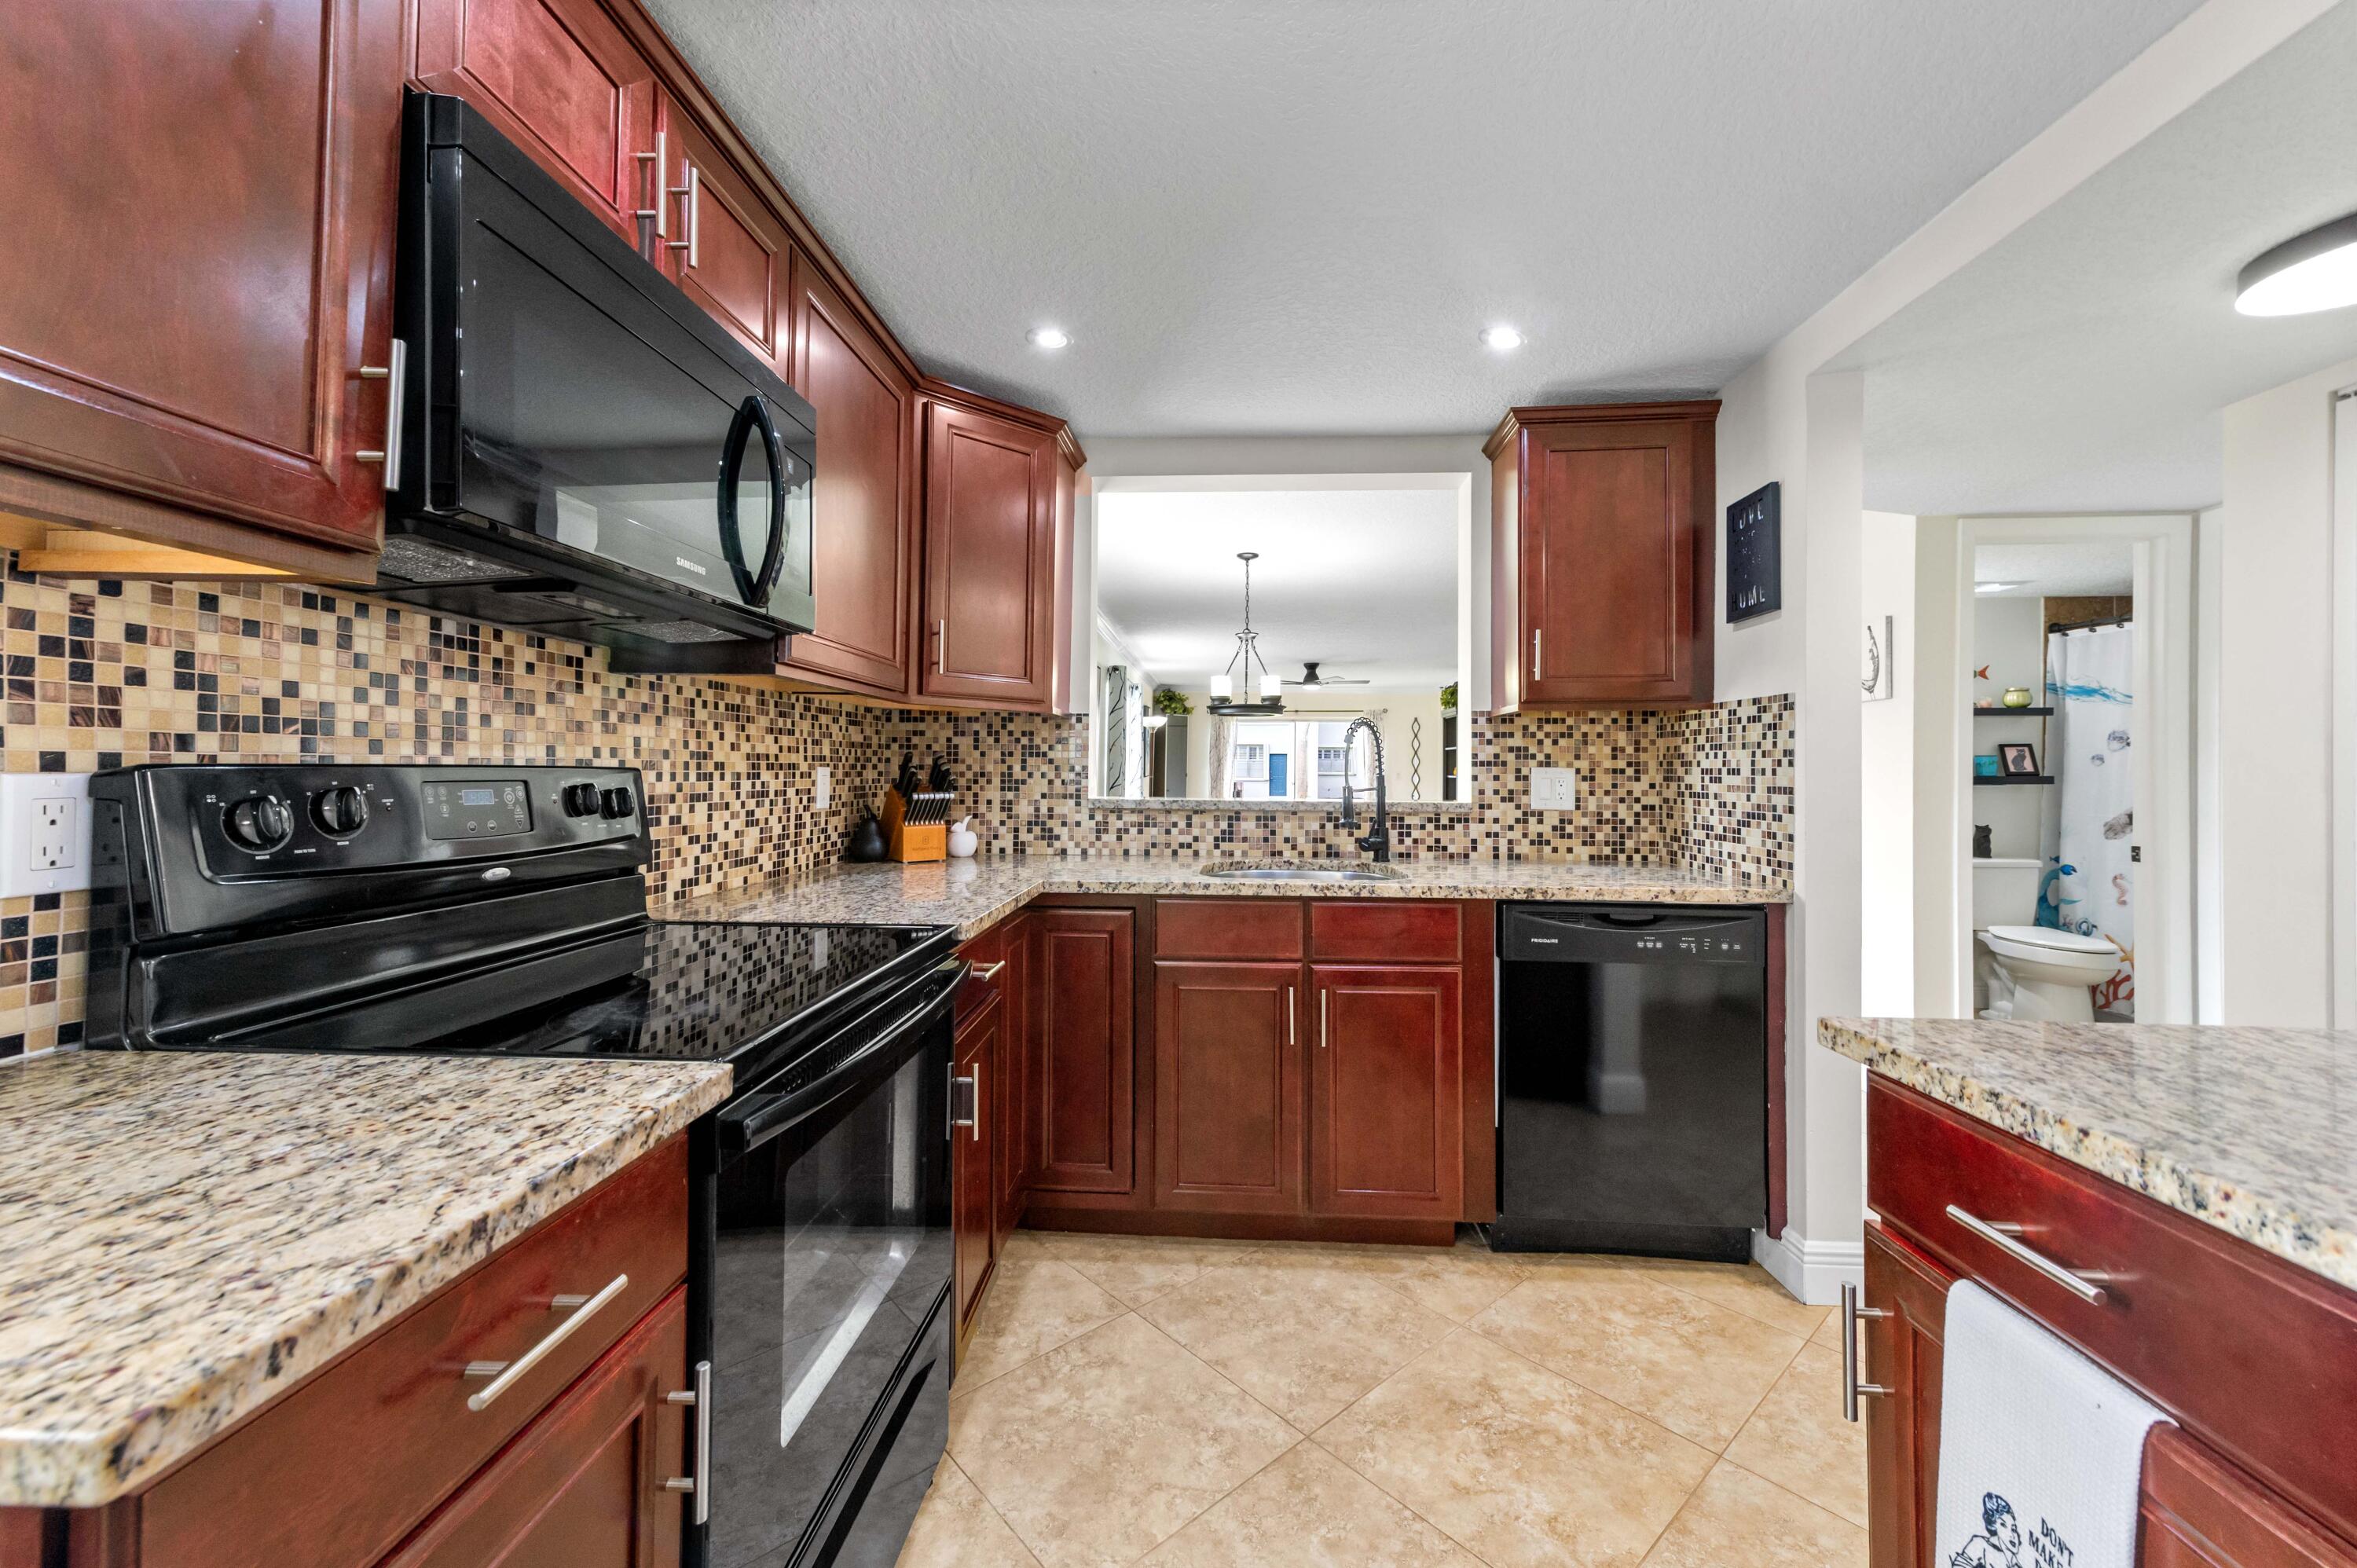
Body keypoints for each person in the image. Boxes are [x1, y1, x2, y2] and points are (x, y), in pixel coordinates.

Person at [1950, 1493, 2023, 1568]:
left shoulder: (2016, 1564)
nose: (2012, 1535)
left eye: (2013, 1529)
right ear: (1994, 1526)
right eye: (2003, 1525)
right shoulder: (1981, 1545)